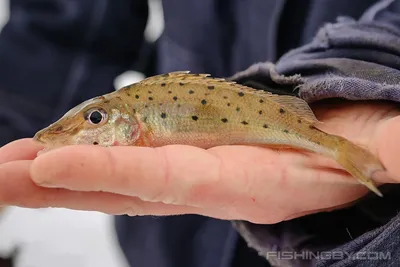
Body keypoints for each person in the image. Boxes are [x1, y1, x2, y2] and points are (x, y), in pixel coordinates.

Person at [1, 0, 400, 266]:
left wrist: (361, 76)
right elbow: (66, 26)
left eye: (94, 120)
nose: (91, 127)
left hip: (338, 239)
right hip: (172, 243)